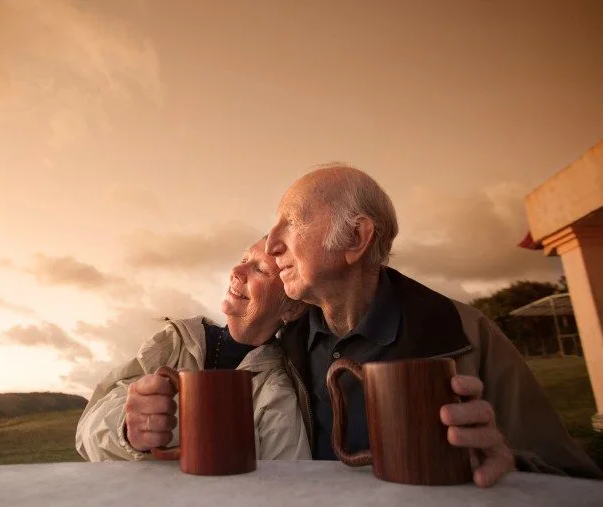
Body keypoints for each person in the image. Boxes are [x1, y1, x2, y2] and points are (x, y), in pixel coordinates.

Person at [265, 163, 603, 486]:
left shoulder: (466, 332)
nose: (271, 244)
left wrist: (510, 467)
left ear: (356, 237)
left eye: (292, 222)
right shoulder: (282, 345)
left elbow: (575, 481)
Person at [76, 237, 311, 462]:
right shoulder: (175, 343)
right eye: (243, 260)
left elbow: (286, 485)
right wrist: (126, 429)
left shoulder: (276, 391)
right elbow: (87, 433)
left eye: (260, 269)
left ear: (291, 309)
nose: (237, 272)